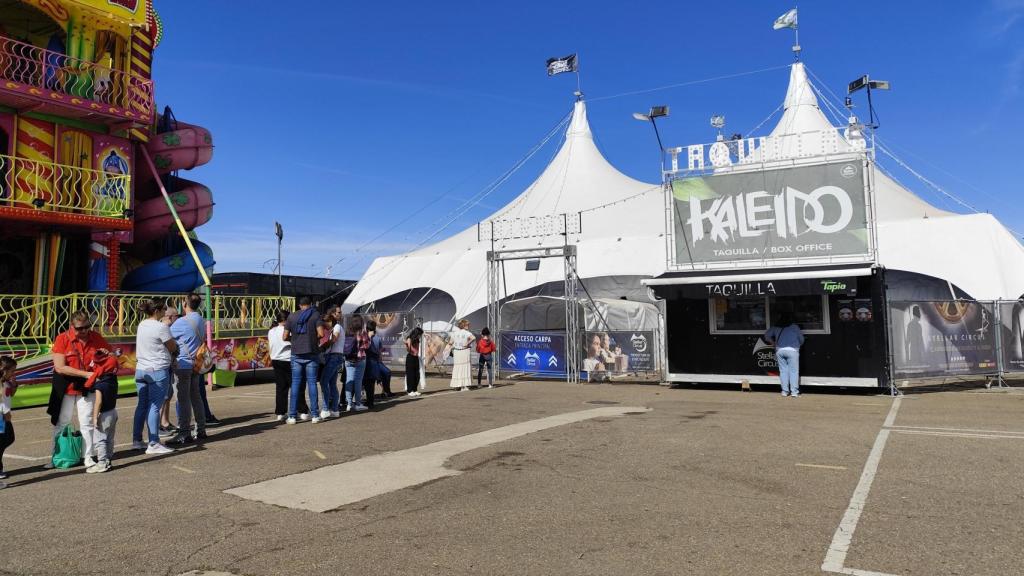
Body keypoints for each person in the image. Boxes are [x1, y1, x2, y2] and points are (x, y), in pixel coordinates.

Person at [47, 310, 112, 469]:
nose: (83, 331)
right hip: (66, 387)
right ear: (72, 326)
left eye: (86, 327)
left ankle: (87, 456)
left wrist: (105, 354)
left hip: (86, 387)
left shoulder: (95, 337)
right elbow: (60, 367)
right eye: (79, 328)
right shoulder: (62, 338)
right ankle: (57, 456)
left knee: (87, 422)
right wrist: (86, 374)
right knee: (62, 421)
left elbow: (110, 354)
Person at [132, 298, 178, 454]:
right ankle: (153, 442)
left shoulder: (142, 324)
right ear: (157, 311)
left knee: (142, 405)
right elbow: (172, 346)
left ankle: (137, 440)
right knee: (154, 407)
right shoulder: (161, 327)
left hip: (141, 369)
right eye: (164, 309)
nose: (166, 311)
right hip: (157, 370)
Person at [169, 293, 209, 444]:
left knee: (183, 399)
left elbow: (166, 336)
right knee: (196, 397)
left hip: (183, 364)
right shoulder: (200, 319)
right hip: (196, 363)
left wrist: (166, 322)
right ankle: (201, 429)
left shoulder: (181, 322)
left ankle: (184, 432)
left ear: (185, 304)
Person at [284, 297, 324, 424]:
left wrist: (294, 340)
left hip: (296, 353)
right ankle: (315, 415)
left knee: (295, 384)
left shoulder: (291, 316)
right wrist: (312, 338)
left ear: (299, 305)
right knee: (312, 383)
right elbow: (321, 334)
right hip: (311, 353)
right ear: (310, 304)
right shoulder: (315, 314)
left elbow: (284, 336)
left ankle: (291, 416)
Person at [269, 309, 308, 421]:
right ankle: (302, 410)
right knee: (297, 386)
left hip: (276, 360)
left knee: (281, 387)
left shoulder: (271, 331)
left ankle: (280, 412)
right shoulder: (289, 331)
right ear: (287, 320)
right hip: (288, 360)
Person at [85, 350, 119, 473]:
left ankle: (102, 462)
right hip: (113, 412)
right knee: (110, 438)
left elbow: (98, 402)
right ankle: (108, 460)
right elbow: (113, 359)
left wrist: (95, 418)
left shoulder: (100, 385)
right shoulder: (113, 380)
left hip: (104, 414)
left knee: (100, 440)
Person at [763, 314, 805, 397]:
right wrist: (798, 345)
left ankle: (785, 391)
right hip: (793, 351)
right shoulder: (794, 327)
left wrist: (773, 343)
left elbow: (766, 335)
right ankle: (794, 392)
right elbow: (801, 339)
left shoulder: (776, 327)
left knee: (783, 371)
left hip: (780, 351)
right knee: (794, 372)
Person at [158, 305, 179, 440]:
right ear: (171, 317)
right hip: (163, 365)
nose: (178, 319)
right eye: (177, 316)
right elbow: (171, 347)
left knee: (168, 396)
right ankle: (160, 425)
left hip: (168, 364)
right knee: (162, 397)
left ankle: (165, 422)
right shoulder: (163, 328)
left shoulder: (167, 327)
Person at [342, 315, 370, 411]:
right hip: (360, 359)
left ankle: (349, 404)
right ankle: (358, 404)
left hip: (348, 358)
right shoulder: (362, 332)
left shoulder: (347, 331)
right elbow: (367, 346)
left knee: (349, 381)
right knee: (358, 382)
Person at [320, 313, 344, 419]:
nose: (324, 325)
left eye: (326, 322)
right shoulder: (333, 329)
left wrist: (322, 347)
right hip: (335, 356)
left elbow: (334, 339)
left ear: (330, 321)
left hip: (334, 356)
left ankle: (326, 409)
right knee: (332, 384)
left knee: (324, 381)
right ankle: (334, 409)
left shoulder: (337, 327)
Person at [0, 356, 18, 486]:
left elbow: (10, 394)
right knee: (4, 439)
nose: (14, 373)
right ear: (3, 370)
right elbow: (1, 399)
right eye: (12, 370)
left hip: (3, 416)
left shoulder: (6, 381)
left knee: (8, 438)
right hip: (1, 416)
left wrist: (14, 385)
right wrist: (6, 412)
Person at [448, 319, 475, 391]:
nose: (468, 326)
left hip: (457, 352)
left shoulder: (454, 333)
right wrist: (467, 343)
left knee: (457, 368)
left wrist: (450, 348)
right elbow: (473, 338)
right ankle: (464, 386)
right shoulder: (467, 333)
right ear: (464, 325)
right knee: (465, 367)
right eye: (467, 325)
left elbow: (450, 342)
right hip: (464, 351)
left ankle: (457, 385)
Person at [405, 327, 423, 397]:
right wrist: (407, 345)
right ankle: (410, 390)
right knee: (410, 375)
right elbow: (409, 350)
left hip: (416, 358)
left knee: (417, 375)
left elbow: (417, 350)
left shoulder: (417, 340)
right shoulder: (409, 339)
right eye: (419, 334)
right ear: (416, 334)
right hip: (410, 358)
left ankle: (415, 389)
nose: (420, 336)